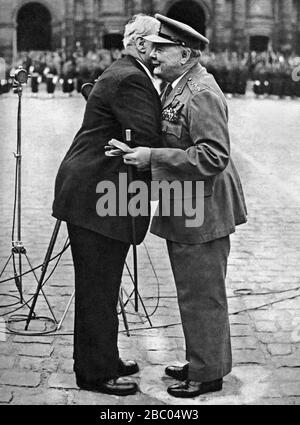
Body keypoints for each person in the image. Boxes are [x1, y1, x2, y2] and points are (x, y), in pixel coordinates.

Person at [123, 14, 247, 398]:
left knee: (202, 294)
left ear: (186, 52)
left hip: (205, 209)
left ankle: (207, 373)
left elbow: (213, 156)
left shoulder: (200, 92)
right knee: (193, 292)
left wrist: (151, 158)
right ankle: (203, 359)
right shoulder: (177, 86)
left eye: (163, 48)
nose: (155, 55)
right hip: (188, 203)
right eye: (154, 47)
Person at [52, 14, 161, 396]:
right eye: (160, 45)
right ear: (143, 45)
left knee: (104, 282)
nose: (162, 54)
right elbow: (150, 136)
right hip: (96, 193)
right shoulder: (131, 77)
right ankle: (95, 373)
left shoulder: (125, 71)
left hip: (97, 190)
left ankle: (105, 358)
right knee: (98, 286)